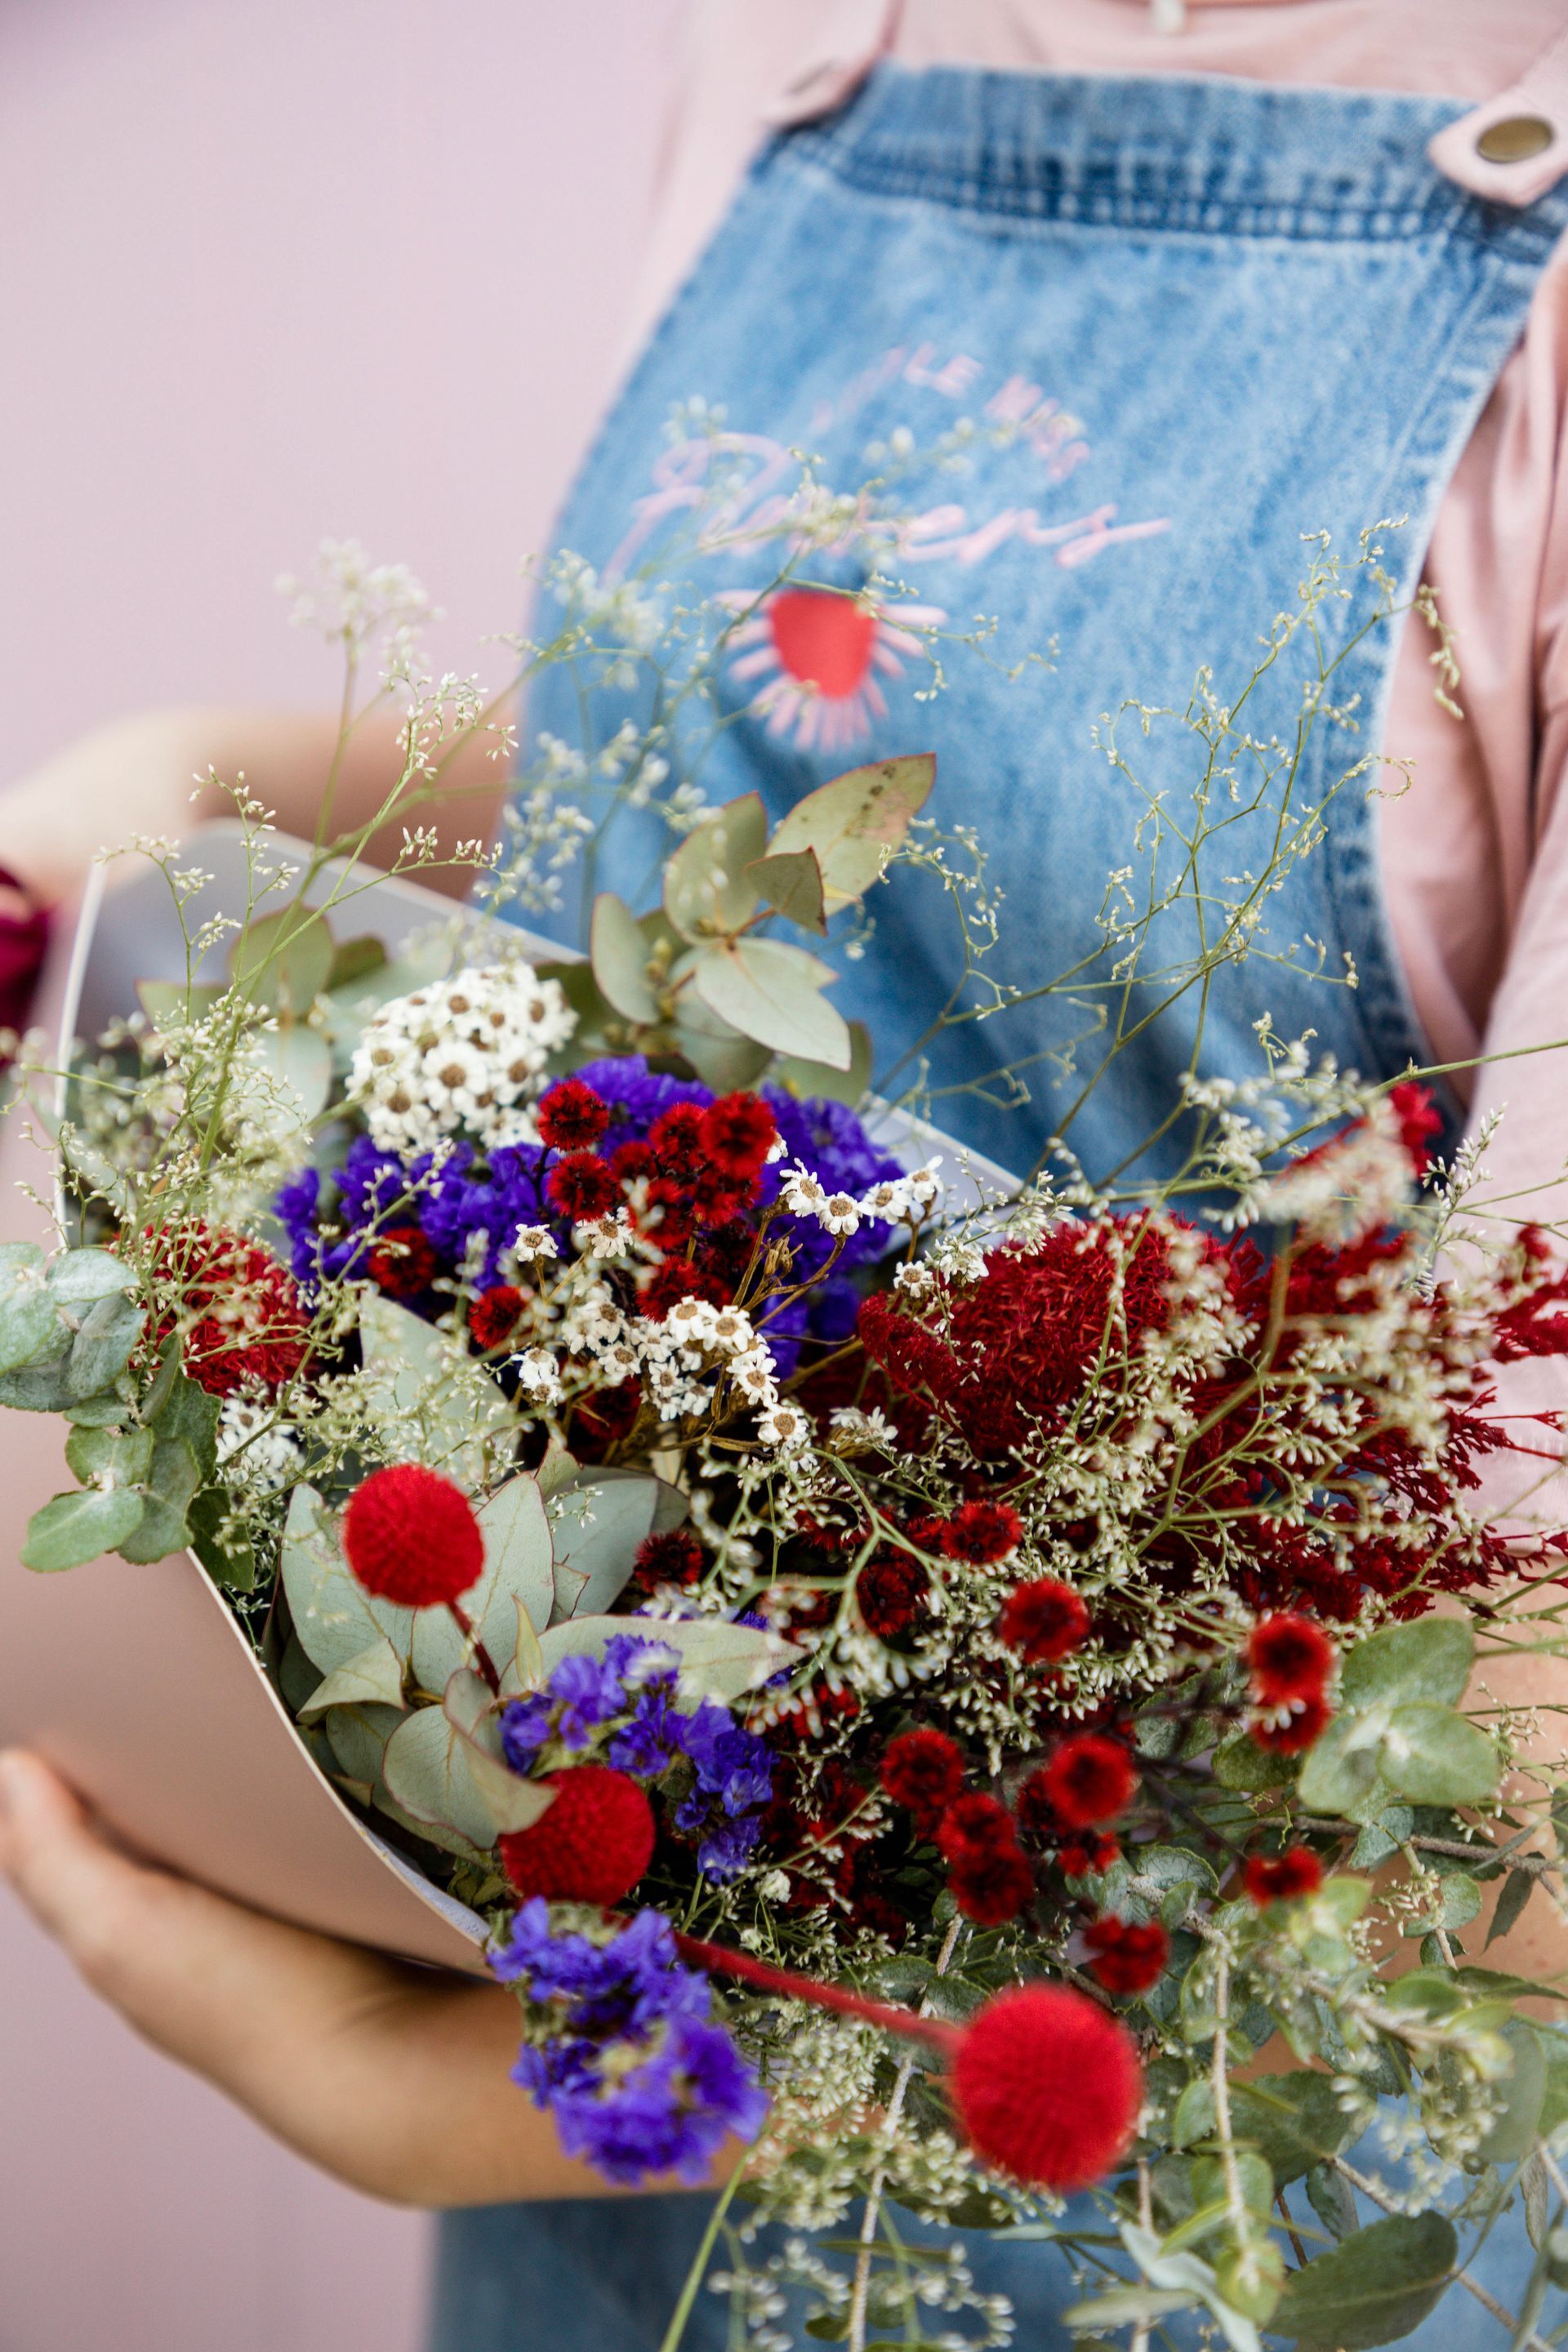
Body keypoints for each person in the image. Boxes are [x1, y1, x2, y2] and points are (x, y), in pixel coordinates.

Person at [5, 2, 1568, 2345]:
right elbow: (810, 748)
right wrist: (208, 779)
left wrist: (478, 2096)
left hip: (1198, 2200)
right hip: (592, 2094)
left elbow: (1517, 1792)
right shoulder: (812, 51)